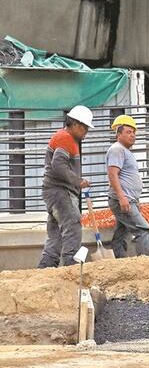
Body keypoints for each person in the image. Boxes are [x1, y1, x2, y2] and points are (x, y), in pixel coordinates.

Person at [38, 105, 92, 268]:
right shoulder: (66, 138)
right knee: (72, 225)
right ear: (76, 124)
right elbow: (58, 164)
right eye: (85, 128)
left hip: (53, 193)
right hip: (60, 192)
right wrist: (77, 181)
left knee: (56, 235)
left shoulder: (64, 137)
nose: (86, 132)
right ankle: (72, 268)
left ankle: (45, 269)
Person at [106, 114, 149, 258]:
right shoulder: (117, 149)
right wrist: (122, 197)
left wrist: (134, 200)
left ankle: (119, 261)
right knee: (143, 230)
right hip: (123, 200)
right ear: (118, 134)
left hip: (128, 200)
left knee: (122, 232)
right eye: (128, 132)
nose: (133, 135)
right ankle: (145, 264)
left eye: (134, 132)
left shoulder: (125, 151)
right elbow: (112, 174)